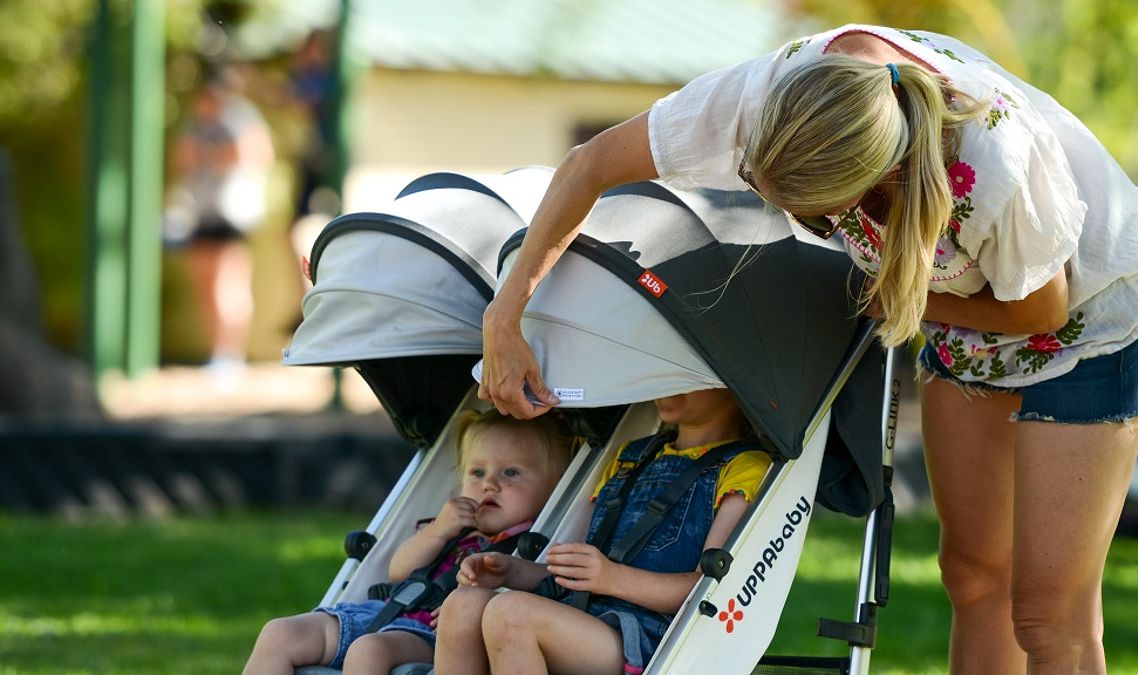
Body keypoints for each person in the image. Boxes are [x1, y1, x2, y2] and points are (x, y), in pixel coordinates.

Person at [475, 24, 1138, 675]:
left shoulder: (996, 160)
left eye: (816, 217)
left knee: (1045, 610)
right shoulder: (767, 99)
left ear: (875, 184)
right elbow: (590, 163)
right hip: (956, 315)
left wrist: (902, 296)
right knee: (974, 573)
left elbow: (1044, 306)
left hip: (1089, 323)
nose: (806, 225)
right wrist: (506, 318)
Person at [433, 388, 771, 675]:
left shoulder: (744, 468)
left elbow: (708, 588)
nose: (665, 383)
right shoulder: (631, 457)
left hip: (644, 636)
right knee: (462, 603)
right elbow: (578, 571)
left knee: (510, 614)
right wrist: (512, 571)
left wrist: (610, 578)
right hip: (580, 615)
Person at [242, 409, 576, 674]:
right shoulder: (450, 526)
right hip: (380, 614)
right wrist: (438, 531)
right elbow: (399, 571)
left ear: (553, 488)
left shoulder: (533, 543)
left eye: (511, 473)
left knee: (367, 651)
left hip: (431, 636)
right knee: (279, 633)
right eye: (477, 473)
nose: (489, 484)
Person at [162, 72, 274, 376]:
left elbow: (252, 154)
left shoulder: (240, 117)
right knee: (206, 286)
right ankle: (218, 354)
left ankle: (230, 356)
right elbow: (181, 158)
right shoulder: (197, 123)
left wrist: (208, 155)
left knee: (229, 284)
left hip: (231, 213)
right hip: (199, 212)